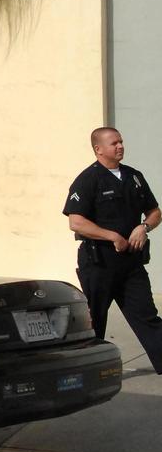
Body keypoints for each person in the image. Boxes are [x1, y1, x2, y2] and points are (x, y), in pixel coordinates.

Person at [63, 126, 162, 374]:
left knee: (147, 316)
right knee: (94, 321)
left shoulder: (134, 177)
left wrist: (144, 227)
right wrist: (111, 236)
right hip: (99, 263)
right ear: (98, 149)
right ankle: (87, 373)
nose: (120, 146)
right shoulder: (88, 179)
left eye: (121, 142)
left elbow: (155, 211)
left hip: (130, 263)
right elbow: (76, 222)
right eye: (114, 143)